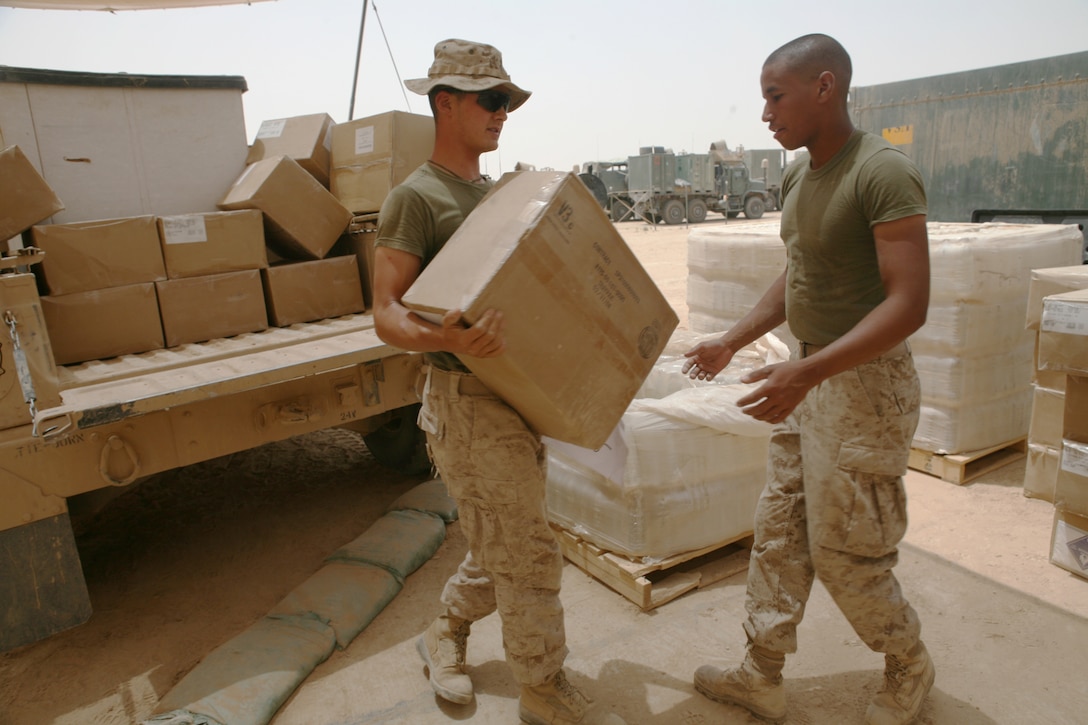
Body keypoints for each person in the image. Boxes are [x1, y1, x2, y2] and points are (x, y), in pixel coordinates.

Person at [371, 39, 626, 725]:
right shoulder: (415, 198)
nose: (503, 112)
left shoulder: (495, 194)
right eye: (490, 100)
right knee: (527, 551)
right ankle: (543, 689)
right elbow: (386, 314)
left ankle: (444, 631)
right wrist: (444, 339)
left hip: (515, 398)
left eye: (507, 101)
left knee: (502, 541)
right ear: (444, 103)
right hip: (466, 404)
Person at [682, 34, 934, 725]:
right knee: (780, 530)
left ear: (825, 87)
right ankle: (760, 672)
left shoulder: (882, 172)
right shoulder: (798, 174)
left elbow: (908, 304)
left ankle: (908, 663)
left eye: (775, 95)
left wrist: (809, 371)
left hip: (865, 385)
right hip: (811, 374)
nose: (764, 112)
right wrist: (731, 341)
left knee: (847, 548)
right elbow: (800, 271)